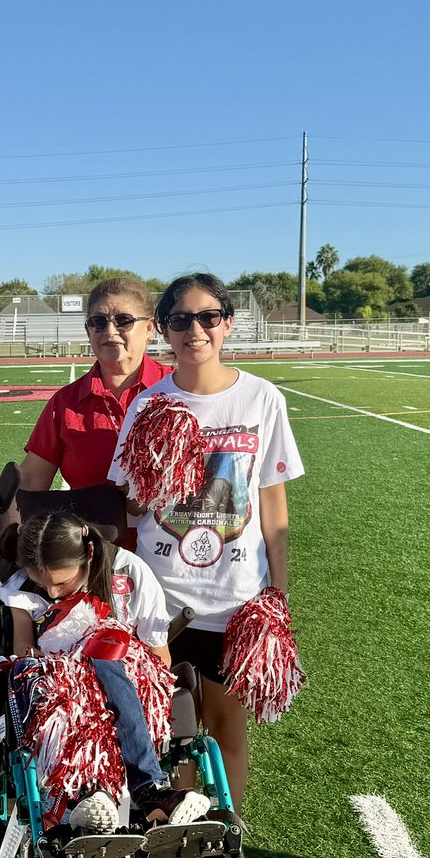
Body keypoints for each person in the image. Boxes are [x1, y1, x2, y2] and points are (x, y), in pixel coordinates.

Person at [113, 273, 303, 813]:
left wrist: (277, 595)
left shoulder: (262, 398)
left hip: (235, 598)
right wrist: (152, 466)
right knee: (173, 734)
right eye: (180, 320)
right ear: (165, 331)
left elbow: (271, 502)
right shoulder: (147, 404)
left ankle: (225, 847)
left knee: (225, 730)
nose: (194, 330)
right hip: (161, 598)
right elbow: (129, 506)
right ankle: (179, 845)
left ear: (227, 324)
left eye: (207, 318)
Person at [0, 511, 209, 832]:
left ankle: (148, 788)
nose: (53, 593)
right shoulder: (21, 585)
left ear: (89, 556)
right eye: (43, 583)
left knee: (104, 649)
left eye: (62, 582)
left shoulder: (129, 571)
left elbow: (158, 655)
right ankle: (83, 792)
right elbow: (25, 651)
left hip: (125, 678)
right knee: (33, 670)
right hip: (60, 688)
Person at [0, 276, 170, 584]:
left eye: (123, 321)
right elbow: (28, 483)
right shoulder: (66, 403)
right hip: (91, 565)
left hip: (172, 561)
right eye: (98, 322)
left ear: (149, 328)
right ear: (88, 330)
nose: (110, 332)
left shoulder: (178, 393)